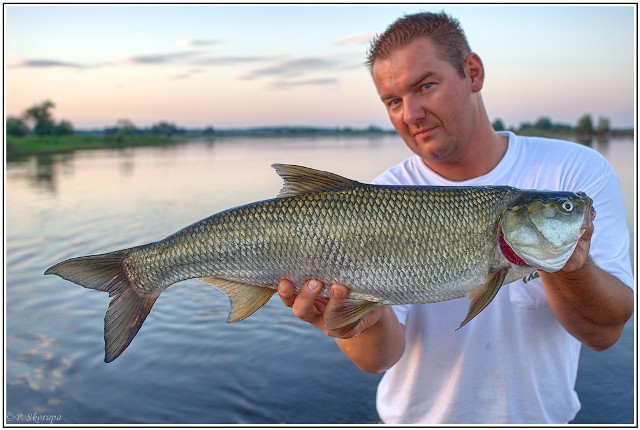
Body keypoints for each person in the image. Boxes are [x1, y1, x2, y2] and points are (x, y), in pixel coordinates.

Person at [277, 12, 634, 424]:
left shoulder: (571, 171)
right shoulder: (380, 197)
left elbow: (604, 334)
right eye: (393, 101)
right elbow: (379, 359)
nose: (410, 114)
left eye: (425, 86)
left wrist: (568, 264)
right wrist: (351, 317)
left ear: (473, 73)